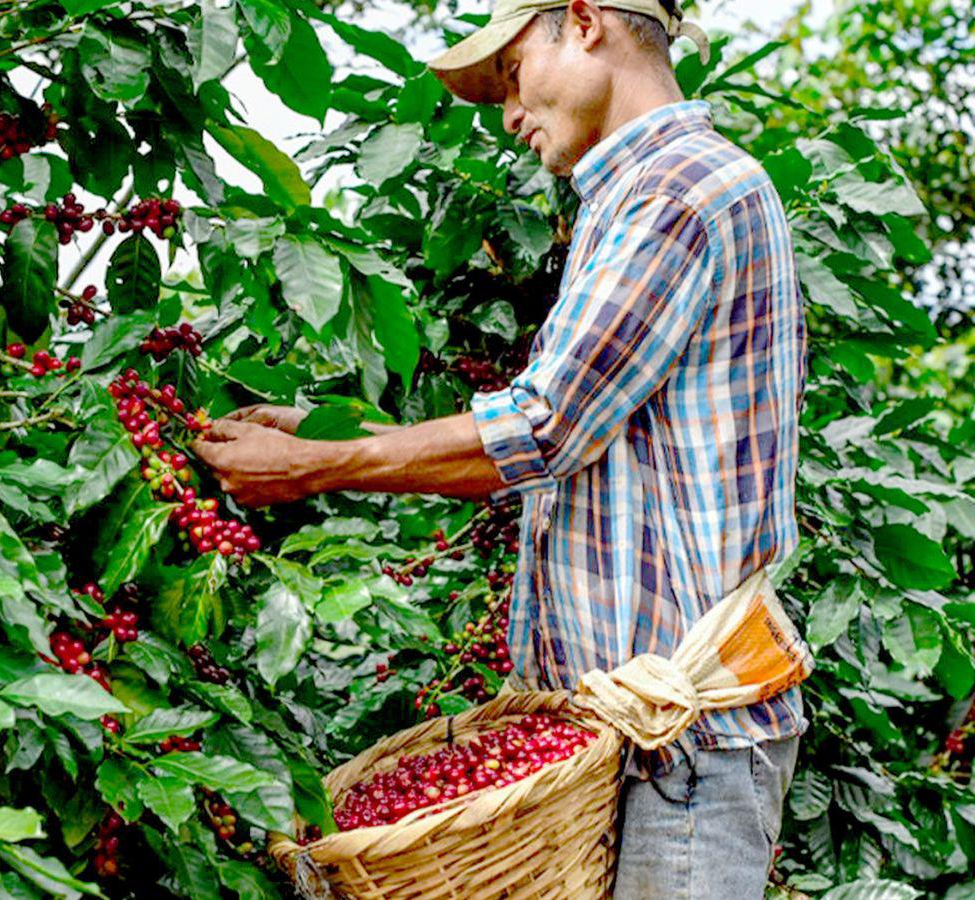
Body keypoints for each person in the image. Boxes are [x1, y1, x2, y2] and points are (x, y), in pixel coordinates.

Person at [192, 0, 808, 895]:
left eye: (513, 76)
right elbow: (565, 421)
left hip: (687, 746)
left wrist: (318, 468)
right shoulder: (635, 195)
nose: (509, 116)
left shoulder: (676, 191)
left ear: (586, 21)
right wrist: (330, 431)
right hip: (629, 739)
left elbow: (544, 425)